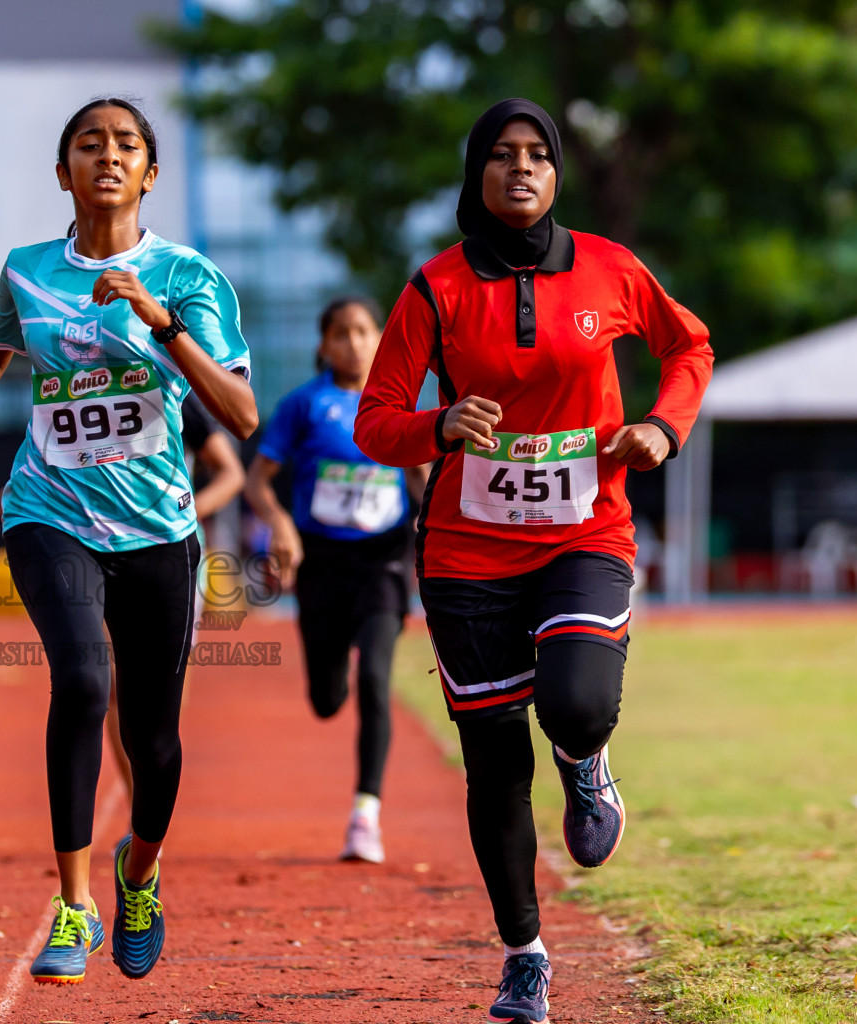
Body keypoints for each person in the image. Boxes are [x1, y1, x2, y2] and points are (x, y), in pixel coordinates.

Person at [354, 99, 712, 1024]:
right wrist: (438, 423)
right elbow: (376, 421)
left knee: (577, 703)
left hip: (584, 530)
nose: (523, 169)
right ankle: (524, 955)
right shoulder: (433, 289)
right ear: (477, 172)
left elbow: (689, 346)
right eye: (504, 156)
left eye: (539, 156)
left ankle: (587, 761)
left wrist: (663, 429)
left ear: (557, 174)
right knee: (494, 763)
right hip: (467, 554)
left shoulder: (610, 267)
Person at [0, 97, 256, 986]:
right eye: (88, 144)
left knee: (155, 742)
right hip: (46, 510)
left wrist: (157, 316)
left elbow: (242, 412)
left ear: (150, 174)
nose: (108, 155)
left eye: (127, 145)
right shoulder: (26, 270)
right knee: (80, 679)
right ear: (63, 172)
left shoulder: (186, 276)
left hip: (157, 529)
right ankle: (74, 905)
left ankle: (137, 874)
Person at [244, 296, 428, 864]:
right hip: (321, 561)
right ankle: (331, 679)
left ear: (380, 339)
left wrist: (434, 526)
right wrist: (279, 524)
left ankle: (364, 815)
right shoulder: (303, 405)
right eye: (341, 333)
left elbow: (422, 477)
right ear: (324, 345)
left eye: (363, 331)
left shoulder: (399, 404)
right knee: (327, 699)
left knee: (376, 678)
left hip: (383, 559)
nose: (353, 343)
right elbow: (257, 481)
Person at [102, 392, 245, 810]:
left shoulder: (174, 392)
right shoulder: (84, 383)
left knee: (161, 693)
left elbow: (231, 474)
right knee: (114, 683)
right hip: (101, 547)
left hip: (171, 554)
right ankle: (138, 807)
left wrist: (183, 514)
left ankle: (151, 801)